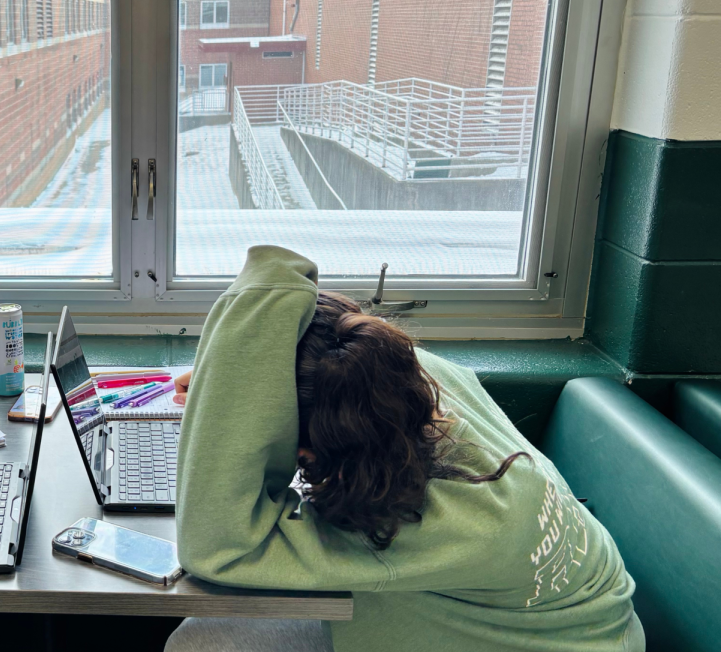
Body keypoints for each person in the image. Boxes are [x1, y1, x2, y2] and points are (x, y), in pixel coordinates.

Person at [165, 245, 642, 652]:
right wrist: (233, 386)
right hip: (575, 612)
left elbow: (217, 550)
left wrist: (227, 414)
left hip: (551, 643)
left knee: (203, 644)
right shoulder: (406, 377)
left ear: (315, 452)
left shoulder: (431, 526)